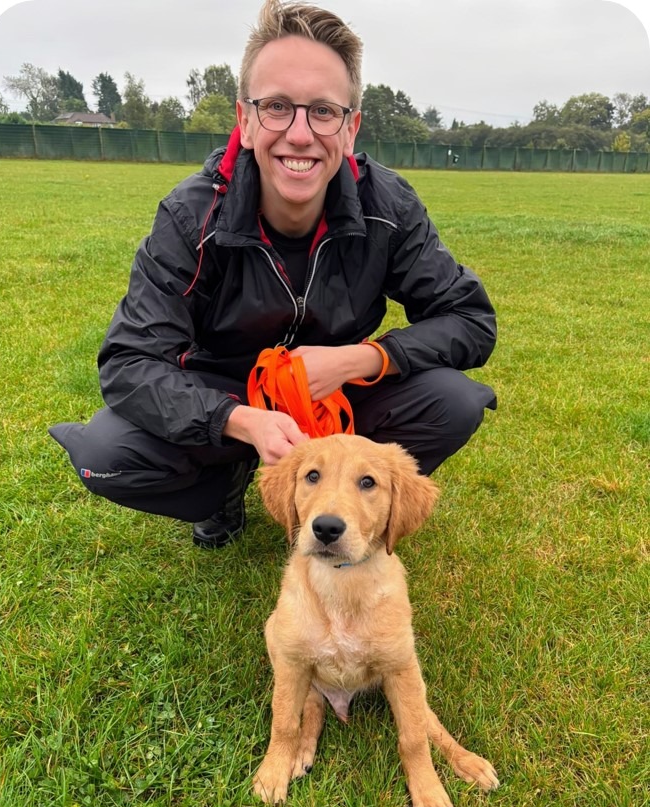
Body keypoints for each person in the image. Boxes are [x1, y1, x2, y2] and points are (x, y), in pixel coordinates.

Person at [49, 0, 497, 549]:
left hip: (338, 393)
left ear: (351, 127)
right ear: (246, 119)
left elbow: (470, 319)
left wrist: (360, 359)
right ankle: (227, 490)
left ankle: (349, 501)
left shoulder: (388, 206)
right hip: (228, 396)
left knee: (454, 401)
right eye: (277, 107)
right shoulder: (193, 216)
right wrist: (240, 421)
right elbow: (129, 363)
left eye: (324, 111)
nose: (301, 134)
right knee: (107, 456)